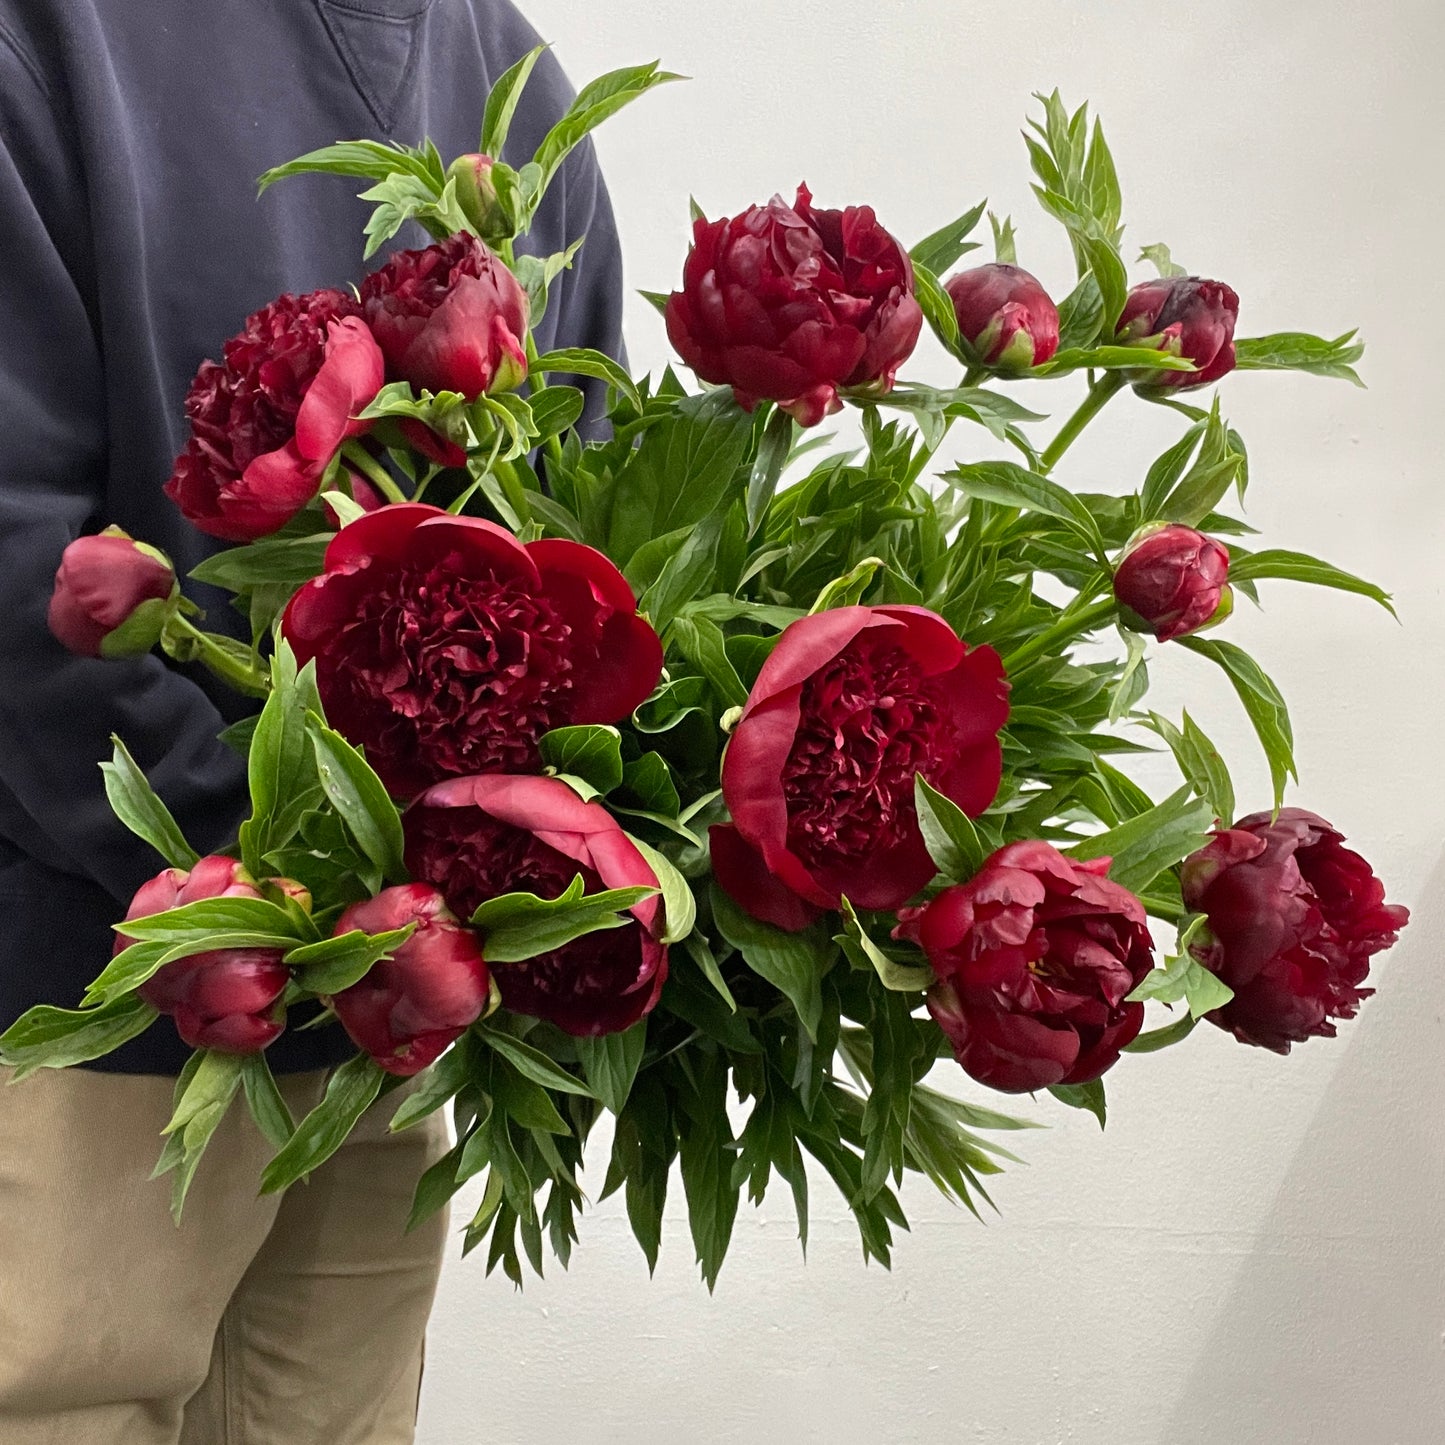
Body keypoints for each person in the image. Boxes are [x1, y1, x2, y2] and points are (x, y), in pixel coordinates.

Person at [0, 1, 624, 1440]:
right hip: (75, 1027)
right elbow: (13, 567)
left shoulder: (517, 94)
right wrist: (316, 895)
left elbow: (585, 573)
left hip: (374, 1057)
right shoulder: (53, 38)